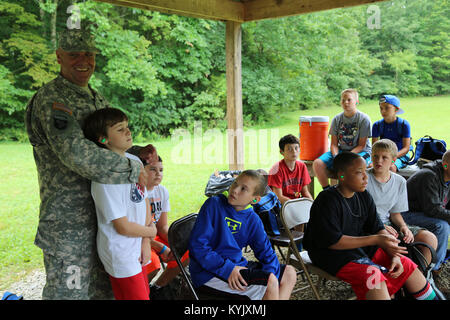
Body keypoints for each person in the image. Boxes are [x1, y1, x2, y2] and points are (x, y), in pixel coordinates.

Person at [24, 28, 156, 300]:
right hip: (69, 224)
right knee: (70, 294)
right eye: (74, 55)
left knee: (104, 293)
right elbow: (75, 153)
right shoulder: (53, 100)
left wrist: (140, 155)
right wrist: (134, 168)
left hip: (106, 219)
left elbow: (109, 144)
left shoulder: (95, 98)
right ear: (59, 57)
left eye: (89, 54)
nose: (83, 60)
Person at [303, 152, 439, 300]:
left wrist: (393, 254)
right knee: (372, 273)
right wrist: (376, 239)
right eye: (359, 173)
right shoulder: (327, 200)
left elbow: (378, 228)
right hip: (329, 253)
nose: (366, 177)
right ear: (341, 176)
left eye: (365, 171)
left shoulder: (363, 196)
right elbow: (334, 242)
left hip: (357, 247)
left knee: (405, 263)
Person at [83, 108, 157, 300]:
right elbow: (122, 226)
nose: (128, 132)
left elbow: (143, 200)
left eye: (127, 127)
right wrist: (151, 232)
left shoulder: (134, 161)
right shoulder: (104, 177)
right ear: (103, 139)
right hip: (120, 252)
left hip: (138, 243)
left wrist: (145, 241)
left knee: (144, 293)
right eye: (119, 129)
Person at [189, 170, 297, 300]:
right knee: (270, 283)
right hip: (208, 273)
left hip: (237, 266)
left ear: (255, 199)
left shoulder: (252, 220)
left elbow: (266, 253)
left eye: (243, 189)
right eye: (235, 183)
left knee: (289, 273)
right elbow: (198, 246)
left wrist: (269, 274)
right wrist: (228, 269)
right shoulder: (214, 205)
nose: (234, 190)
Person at [366, 139, 437, 265]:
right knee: (392, 240)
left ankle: (421, 274)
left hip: (388, 223)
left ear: (393, 160)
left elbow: (395, 213)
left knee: (429, 238)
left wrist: (403, 227)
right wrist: (379, 227)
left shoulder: (400, 182)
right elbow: (356, 212)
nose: (378, 161)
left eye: (384, 157)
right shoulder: (363, 179)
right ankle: (395, 276)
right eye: (375, 156)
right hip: (368, 225)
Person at [141, 156, 189, 299]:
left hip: (154, 234)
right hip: (139, 238)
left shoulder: (162, 191)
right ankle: (141, 293)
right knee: (153, 264)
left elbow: (162, 226)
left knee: (187, 250)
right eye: (153, 169)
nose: (158, 173)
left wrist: (175, 244)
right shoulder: (137, 193)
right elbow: (134, 232)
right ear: (141, 171)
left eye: (161, 170)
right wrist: (160, 248)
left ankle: (156, 288)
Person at [401, 150, 450, 273]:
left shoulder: (446, 178)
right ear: (445, 165)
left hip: (423, 214)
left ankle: (438, 261)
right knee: (441, 226)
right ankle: (433, 269)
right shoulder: (429, 176)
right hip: (405, 214)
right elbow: (433, 210)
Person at [313, 88, 372, 189]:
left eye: (349, 100)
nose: (346, 102)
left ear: (356, 101)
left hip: (361, 151)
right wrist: (336, 156)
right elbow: (334, 144)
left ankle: (347, 191)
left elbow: (362, 145)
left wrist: (345, 158)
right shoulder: (337, 119)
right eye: (343, 100)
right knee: (317, 163)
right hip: (342, 150)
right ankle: (327, 190)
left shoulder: (363, 119)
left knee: (349, 166)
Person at [371, 95, 412, 172]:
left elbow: (406, 148)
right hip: (381, 156)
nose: (383, 111)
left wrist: (391, 157)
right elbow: (374, 147)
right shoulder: (377, 125)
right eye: (381, 108)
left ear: (396, 109)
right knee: (370, 166)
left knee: (390, 167)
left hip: (399, 155)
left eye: (387, 108)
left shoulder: (404, 124)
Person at [268, 134, 312, 205]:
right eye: (289, 149)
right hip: (281, 206)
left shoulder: (302, 166)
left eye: (296, 148)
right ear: (281, 152)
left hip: (296, 203)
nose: (294, 151)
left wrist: (312, 204)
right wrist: (295, 205)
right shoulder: (276, 169)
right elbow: (279, 197)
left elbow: (305, 192)